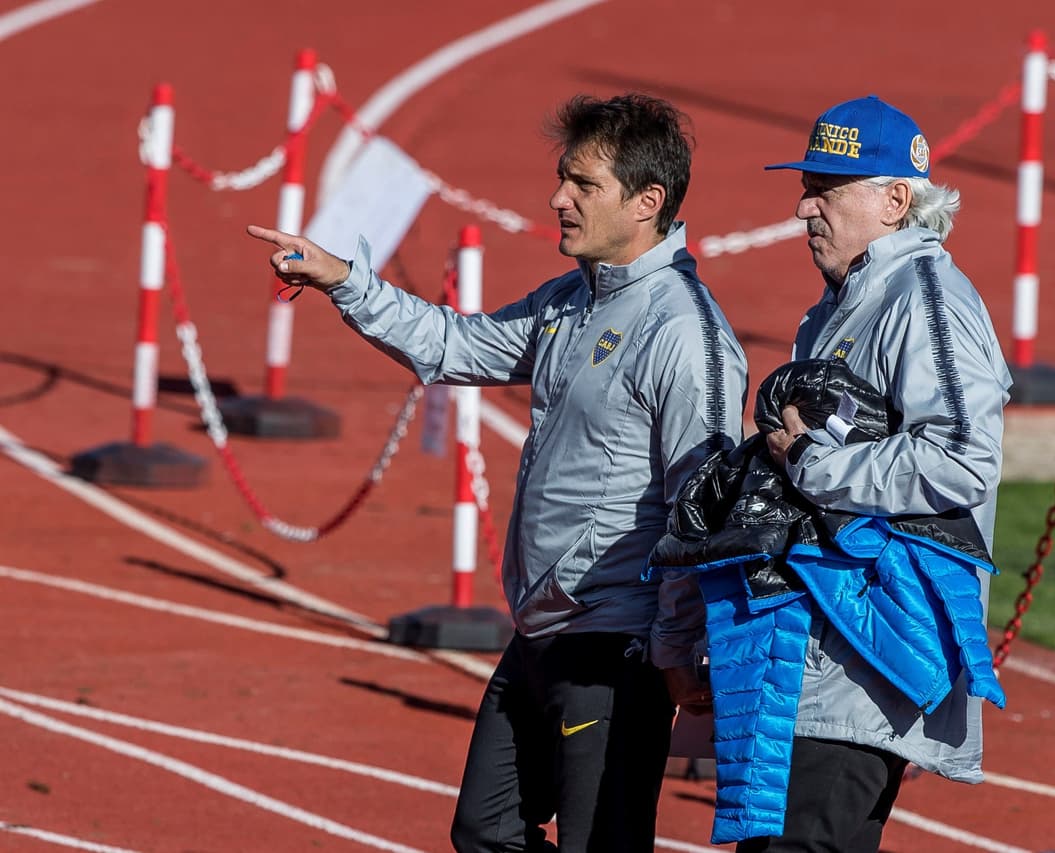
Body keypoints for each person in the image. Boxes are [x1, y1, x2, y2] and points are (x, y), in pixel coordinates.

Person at [247, 93, 747, 853]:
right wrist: (344, 280)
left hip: (616, 643)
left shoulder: (683, 332)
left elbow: (702, 505)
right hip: (541, 628)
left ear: (648, 201)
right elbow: (455, 345)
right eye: (562, 178)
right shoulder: (571, 300)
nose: (559, 199)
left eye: (583, 184)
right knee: (484, 829)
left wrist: (678, 649)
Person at [748, 95, 1013, 851]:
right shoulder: (840, 305)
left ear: (896, 199)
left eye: (826, 189)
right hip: (816, 649)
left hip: (869, 660)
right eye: (807, 186)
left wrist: (812, 463)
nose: (804, 207)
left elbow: (962, 458)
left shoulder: (925, 298)